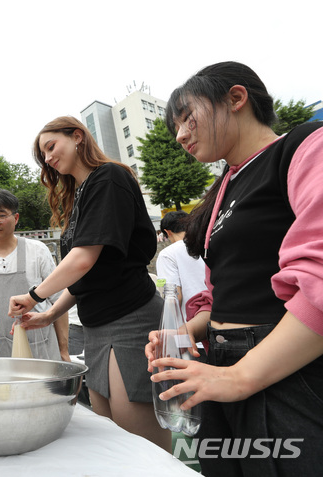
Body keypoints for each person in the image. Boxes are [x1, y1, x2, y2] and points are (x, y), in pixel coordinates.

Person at [146, 62, 323, 475]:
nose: (180, 135)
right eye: (175, 126)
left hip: (284, 370)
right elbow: (221, 295)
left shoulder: (303, 147)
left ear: (236, 98)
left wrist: (242, 376)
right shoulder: (225, 186)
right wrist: (184, 332)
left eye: (188, 117)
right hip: (221, 365)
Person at [9, 116, 169, 450]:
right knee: (109, 441)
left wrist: (34, 295)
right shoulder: (80, 195)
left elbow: (83, 259)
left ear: (78, 136)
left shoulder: (109, 178)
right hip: (97, 325)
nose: (49, 158)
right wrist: (49, 314)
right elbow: (84, 276)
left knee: (139, 447)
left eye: (51, 147)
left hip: (130, 318)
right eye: (43, 156)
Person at [0, 188, 68, 359]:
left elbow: (60, 302)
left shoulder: (37, 251)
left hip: (39, 349)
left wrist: (64, 350)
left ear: (16, 218)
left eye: (2, 215)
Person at [155, 210, 206, 319]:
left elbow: (173, 297)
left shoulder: (167, 254)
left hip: (190, 320)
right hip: (216, 313)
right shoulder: (206, 244)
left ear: (167, 232)